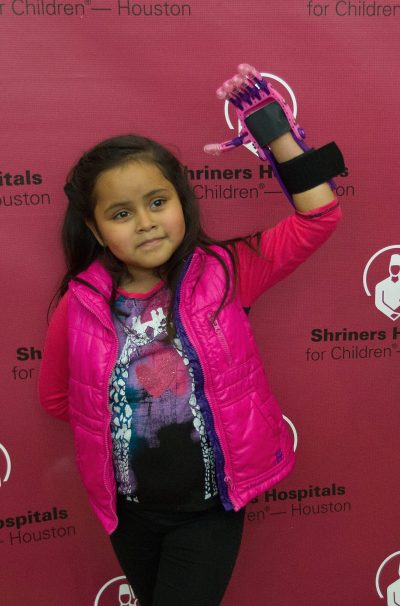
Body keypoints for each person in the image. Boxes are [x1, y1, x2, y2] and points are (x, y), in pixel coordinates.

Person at [38, 66, 343, 606]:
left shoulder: (226, 271)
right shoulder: (79, 305)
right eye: (121, 213)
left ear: (182, 201)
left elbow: (318, 216)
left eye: (158, 202)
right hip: (127, 515)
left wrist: (273, 128)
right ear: (94, 229)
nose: (146, 223)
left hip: (210, 509)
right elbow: (58, 398)